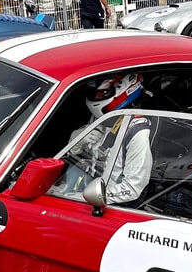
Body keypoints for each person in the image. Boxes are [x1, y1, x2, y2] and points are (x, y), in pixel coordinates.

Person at [51, 74, 153, 206]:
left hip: (105, 204)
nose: (96, 97)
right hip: (79, 190)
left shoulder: (138, 131)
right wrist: (76, 139)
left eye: (102, 94)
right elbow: (74, 157)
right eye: (95, 94)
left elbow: (132, 189)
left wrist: (82, 198)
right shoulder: (102, 118)